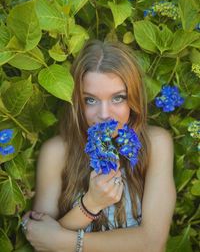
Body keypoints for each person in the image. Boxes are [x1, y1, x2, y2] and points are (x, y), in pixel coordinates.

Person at [22, 40, 176, 252]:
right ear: (76, 102)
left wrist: (64, 242)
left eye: (118, 98)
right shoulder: (57, 152)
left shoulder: (156, 144)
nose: (104, 115)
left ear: (133, 99)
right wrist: (91, 204)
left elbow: (153, 243)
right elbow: (42, 241)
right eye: (91, 100)